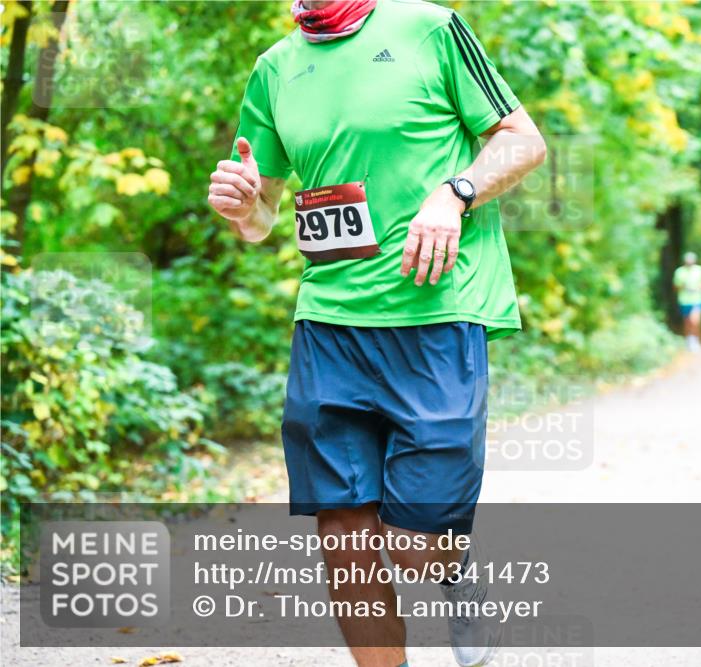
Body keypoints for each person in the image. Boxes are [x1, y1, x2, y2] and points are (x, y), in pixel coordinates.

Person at [206, 2, 546, 666]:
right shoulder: (275, 68)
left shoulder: (429, 28)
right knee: (342, 530)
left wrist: (454, 194)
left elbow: (523, 139)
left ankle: (454, 569)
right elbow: (261, 214)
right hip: (328, 324)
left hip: (434, 311)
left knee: (415, 546)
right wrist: (244, 207)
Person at [673, 251, 701, 351]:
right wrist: (684, 287)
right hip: (684, 300)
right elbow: (675, 286)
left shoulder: (700, 270)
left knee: (695, 320)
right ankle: (689, 339)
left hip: (697, 299)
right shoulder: (679, 271)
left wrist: (700, 288)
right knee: (687, 322)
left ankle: (695, 340)